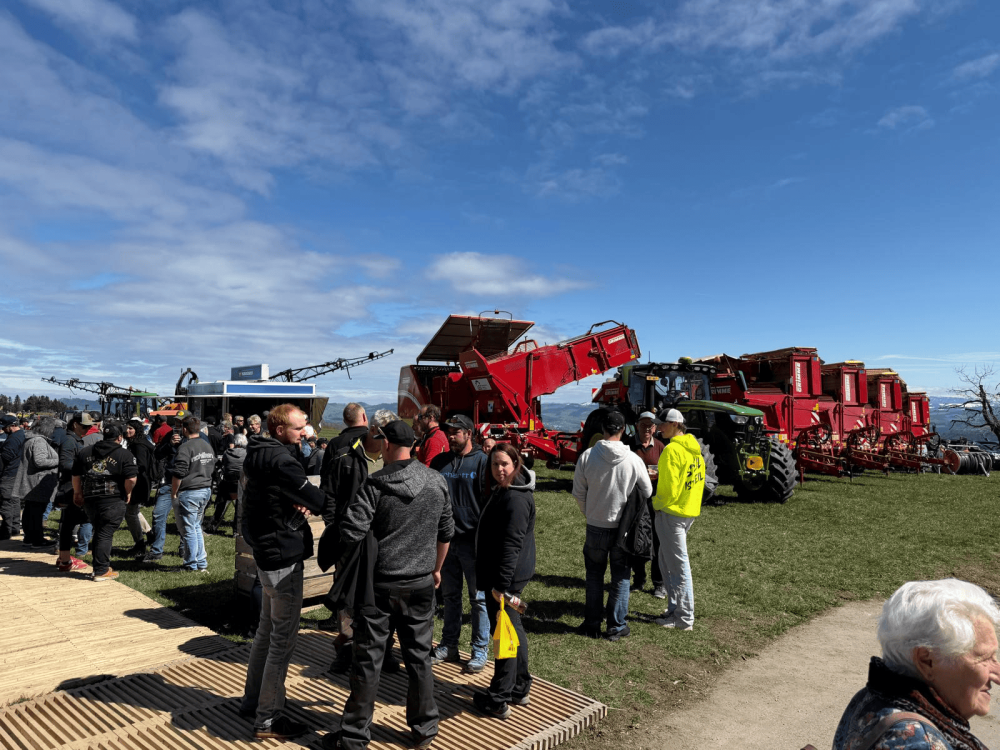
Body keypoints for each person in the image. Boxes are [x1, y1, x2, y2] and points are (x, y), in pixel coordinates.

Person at [325, 420, 453, 750]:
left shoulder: (375, 483)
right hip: (421, 583)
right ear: (414, 445)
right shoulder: (436, 481)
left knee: (368, 662)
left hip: (378, 588)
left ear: (386, 444)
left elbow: (351, 532)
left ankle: (354, 737)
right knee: (420, 659)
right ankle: (424, 730)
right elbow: (446, 532)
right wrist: (436, 569)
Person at [239, 404, 326, 741]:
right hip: (283, 557)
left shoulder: (257, 454)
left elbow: (275, 495)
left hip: (265, 554)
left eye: (305, 426)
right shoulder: (283, 461)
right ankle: (268, 719)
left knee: (265, 632)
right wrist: (305, 499)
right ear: (279, 430)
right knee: (282, 641)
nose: (305, 432)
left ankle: (253, 701)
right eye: (298, 428)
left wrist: (293, 499)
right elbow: (318, 500)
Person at [834, 579, 1000, 750]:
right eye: (984, 658)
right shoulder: (918, 743)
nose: (998, 674)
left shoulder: (872, 696)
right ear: (926, 661)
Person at [318, 409, 398, 672]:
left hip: (384, 539)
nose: (390, 442)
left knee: (383, 596)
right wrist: (336, 528)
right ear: (373, 430)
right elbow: (329, 495)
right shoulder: (345, 456)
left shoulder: (395, 458)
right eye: (387, 436)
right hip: (349, 539)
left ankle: (384, 649)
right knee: (347, 596)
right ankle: (345, 649)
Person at [572, 409, 652, 641]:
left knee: (594, 575)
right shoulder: (633, 459)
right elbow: (647, 491)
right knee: (621, 577)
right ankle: (616, 626)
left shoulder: (588, 457)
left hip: (595, 524)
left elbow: (578, 492)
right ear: (624, 430)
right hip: (623, 528)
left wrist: (589, 513)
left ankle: (592, 623)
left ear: (603, 429)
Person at [472, 443, 536, 719]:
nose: (499, 469)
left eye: (504, 464)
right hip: (504, 575)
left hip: (505, 578)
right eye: (494, 464)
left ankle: (499, 697)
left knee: (504, 635)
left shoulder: (516, 498)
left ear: (516, 464)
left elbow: (512, 545)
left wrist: (501, 585)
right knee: (513, 629)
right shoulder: (506, 489)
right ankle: (519, 687)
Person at [429, 414, 490, 673]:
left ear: (469, 433)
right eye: (449, 431)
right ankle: (449, 645)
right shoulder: (439, 462)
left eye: (456, 432)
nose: (451, 436)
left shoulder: (483, 462)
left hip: (473, 543)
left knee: (478, 599)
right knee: (450, 597)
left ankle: (479, 650)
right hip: (444, 542)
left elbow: (490, 502)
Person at [652, 408, 704, 631]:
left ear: (675, 424)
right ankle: (675, 609)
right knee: (667, 562)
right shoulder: (694, 448)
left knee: (678, 566)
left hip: (671, 512)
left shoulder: (672, 450)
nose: (658, 428)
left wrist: (656, 502)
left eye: (662, 424)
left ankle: (684, 618)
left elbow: (669, 489)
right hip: (687, 510)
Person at [72, 421, 137, 581]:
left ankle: (99, 567)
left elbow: (76, 475)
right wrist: (128, 492)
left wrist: (77, 493)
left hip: (90, 498)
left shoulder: (85, 452)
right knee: (105, 533)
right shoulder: (124, 454)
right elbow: (131, 478)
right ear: (120, 437)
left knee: (99, 531)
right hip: (113, 499)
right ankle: (101, 570)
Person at [170, 416, 215, 572]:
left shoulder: (185, 447)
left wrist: (173, 492)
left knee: (189, 529)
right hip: (205, 489)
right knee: (196, 526)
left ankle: (190, 563)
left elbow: (179, 472)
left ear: (184, 429)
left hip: (190, 491)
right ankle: (201, 562)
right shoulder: (207, 445)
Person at [630, 411, 666, 598]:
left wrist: (658, 475)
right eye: (643, 425)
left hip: (654, 500)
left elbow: (667, 471)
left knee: (658, 541)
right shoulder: (629, 445)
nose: (647, 429)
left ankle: (659, 583)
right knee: (636, 539)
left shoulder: (660, 446)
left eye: (650, 425)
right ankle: (638, 579)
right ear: (637, 426)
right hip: (634, 500)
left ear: (655, 428)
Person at [12, 416, 60, 548]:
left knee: (30, 511)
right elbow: (40, 461)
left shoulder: (30, 439)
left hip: (30, 481)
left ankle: (29, 538)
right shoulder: (39, 441)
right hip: (37, 482)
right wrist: (58, 461)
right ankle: (37, 540)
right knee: (36, 513)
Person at [54, 414, 93, 571]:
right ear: (75, 424)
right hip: (70, 487)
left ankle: (63, 558)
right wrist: (85, 467)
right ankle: (65, 560)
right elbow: (65, 464)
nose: (87, 429)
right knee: (70, 523)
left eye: (89, 427)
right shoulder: (70, 440)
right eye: (85, 426)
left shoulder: (74, 439)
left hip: (71, 486)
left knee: (69, 523)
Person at [123, 419, 155, 558]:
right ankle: (149, 533)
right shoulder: (141, 442)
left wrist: (128, 470)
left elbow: (141, 465)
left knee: (130, 512)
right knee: (133, 511)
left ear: (137, 430)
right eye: (127, 428)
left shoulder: (138, 445)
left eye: (131, 428)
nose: (127, 431)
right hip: (143, 481)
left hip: (139, 482)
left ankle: (140, 544)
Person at [205, 432, 247, 534]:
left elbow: (223, 465)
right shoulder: (247, 454)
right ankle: (237, 530)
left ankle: (214, 523)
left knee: (223, 487)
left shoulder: (227, 453)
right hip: (240, 489)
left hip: (227, 489)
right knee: (241, 499)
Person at [0, 414, 27, 539]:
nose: (3, 429)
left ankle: (6, 530)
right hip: (17, 472)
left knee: (6, 503)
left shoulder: (13, 440)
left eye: (4, 427)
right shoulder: (21, 435)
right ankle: (15, 528)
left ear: (12, 426)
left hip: (9, 474)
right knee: (14, 501)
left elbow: (5, 458)